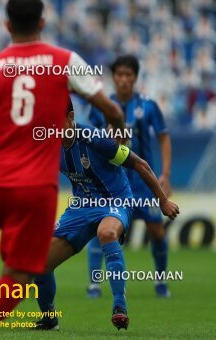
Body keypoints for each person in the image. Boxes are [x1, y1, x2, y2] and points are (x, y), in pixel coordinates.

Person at [0, 0, 125, 339]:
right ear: (43, 21)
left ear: (6, 26)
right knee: (19, 275)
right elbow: (109, 107)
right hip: (36, 190)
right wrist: (117, 128)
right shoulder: (65, 61)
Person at [34, 98, 179, 331]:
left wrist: (162, 200)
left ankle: (119, 307)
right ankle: (49, 319)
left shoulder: (95, 139)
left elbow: (140, 164)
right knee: (39, 265)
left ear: (70, 118)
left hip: (115, 200)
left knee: (107, 232)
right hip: (81, 206)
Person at [86, 55, 173, 298]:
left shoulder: (148, 106)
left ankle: (161, 281)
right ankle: (94, 284)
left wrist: (165, 174)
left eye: (128, 75)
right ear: (113, 78)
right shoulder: (100, 106)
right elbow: (88, 138)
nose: (124, 80)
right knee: (100, 229)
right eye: (119, 75)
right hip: (111, 182)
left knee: (156, 230)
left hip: (143, 182)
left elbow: (164, 137)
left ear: (135, 77)